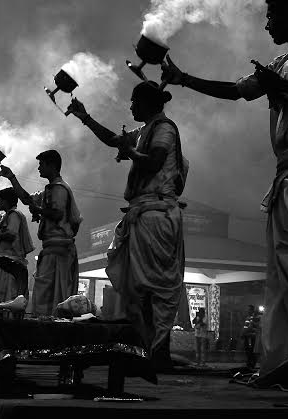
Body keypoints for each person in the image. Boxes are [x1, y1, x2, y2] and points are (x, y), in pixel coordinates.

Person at [161, 0, 288, 391]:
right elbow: (235, 91)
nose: (267, 25)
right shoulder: (280, 62)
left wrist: (282, 88)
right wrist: (183, 79)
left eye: (272, 16)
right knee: (283, 277)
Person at [66, 81, 189, 363]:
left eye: (134, 101)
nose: (131, 106)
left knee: (156, 288)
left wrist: (130, 152)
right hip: (142, 214)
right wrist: (85, 118)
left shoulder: (164, 129)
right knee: (139, 288)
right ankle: (147, 349)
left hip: (156, 214)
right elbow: (114, 140)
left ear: (147, 103)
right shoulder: (145, 130)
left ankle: (158, 352)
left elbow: (154, 162)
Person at [0, 150, 82, 316]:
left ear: (52, 166)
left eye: (41, 165)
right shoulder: (49, 190)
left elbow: (57, 214)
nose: (38, 168)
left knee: (48, 295)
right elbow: (26, 199)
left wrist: (38, 210)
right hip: (52, 249)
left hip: (59, 250)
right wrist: (12, 177)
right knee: (47, 293)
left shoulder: (59, 188)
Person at [242, 305, 260, 370]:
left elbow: (250, 327)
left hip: (251, 337)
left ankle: (251, 365)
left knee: (251, 351)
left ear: (252, 310)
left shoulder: (254, 318)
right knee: (248, 350)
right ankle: (250, 364)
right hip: (248, 336)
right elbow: (246, 327)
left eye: (249, 309)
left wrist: (244, 333)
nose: (247, 311)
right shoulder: (248, 317)